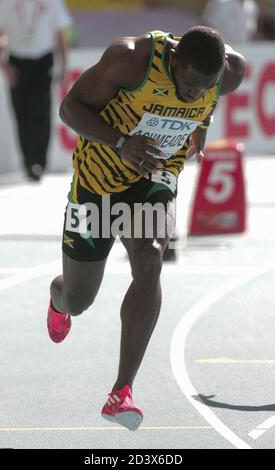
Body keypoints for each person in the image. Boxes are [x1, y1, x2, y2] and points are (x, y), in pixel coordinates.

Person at [47, 26, 246, 431]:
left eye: (203, 89)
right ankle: (58, 299)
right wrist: (122, 142)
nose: (192, 94)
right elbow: (70, 110)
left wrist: (202, 117)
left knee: (151, 260)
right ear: (174, 60)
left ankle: (122, 392)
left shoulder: (230, 71)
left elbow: (205, 96)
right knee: (79, 298)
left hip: (155, 176)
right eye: (187, 85)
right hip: (98, 182)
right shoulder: (130, 59)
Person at [0, 0, 72, 181]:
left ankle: (40, 162)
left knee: (41, 111)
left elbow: (61, 33)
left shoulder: (53, 2)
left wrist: (65, 67)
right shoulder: (7, 2)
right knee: (21, 113)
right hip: (17, 61)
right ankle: (28, 162)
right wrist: (3, 65)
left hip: (43, 59)